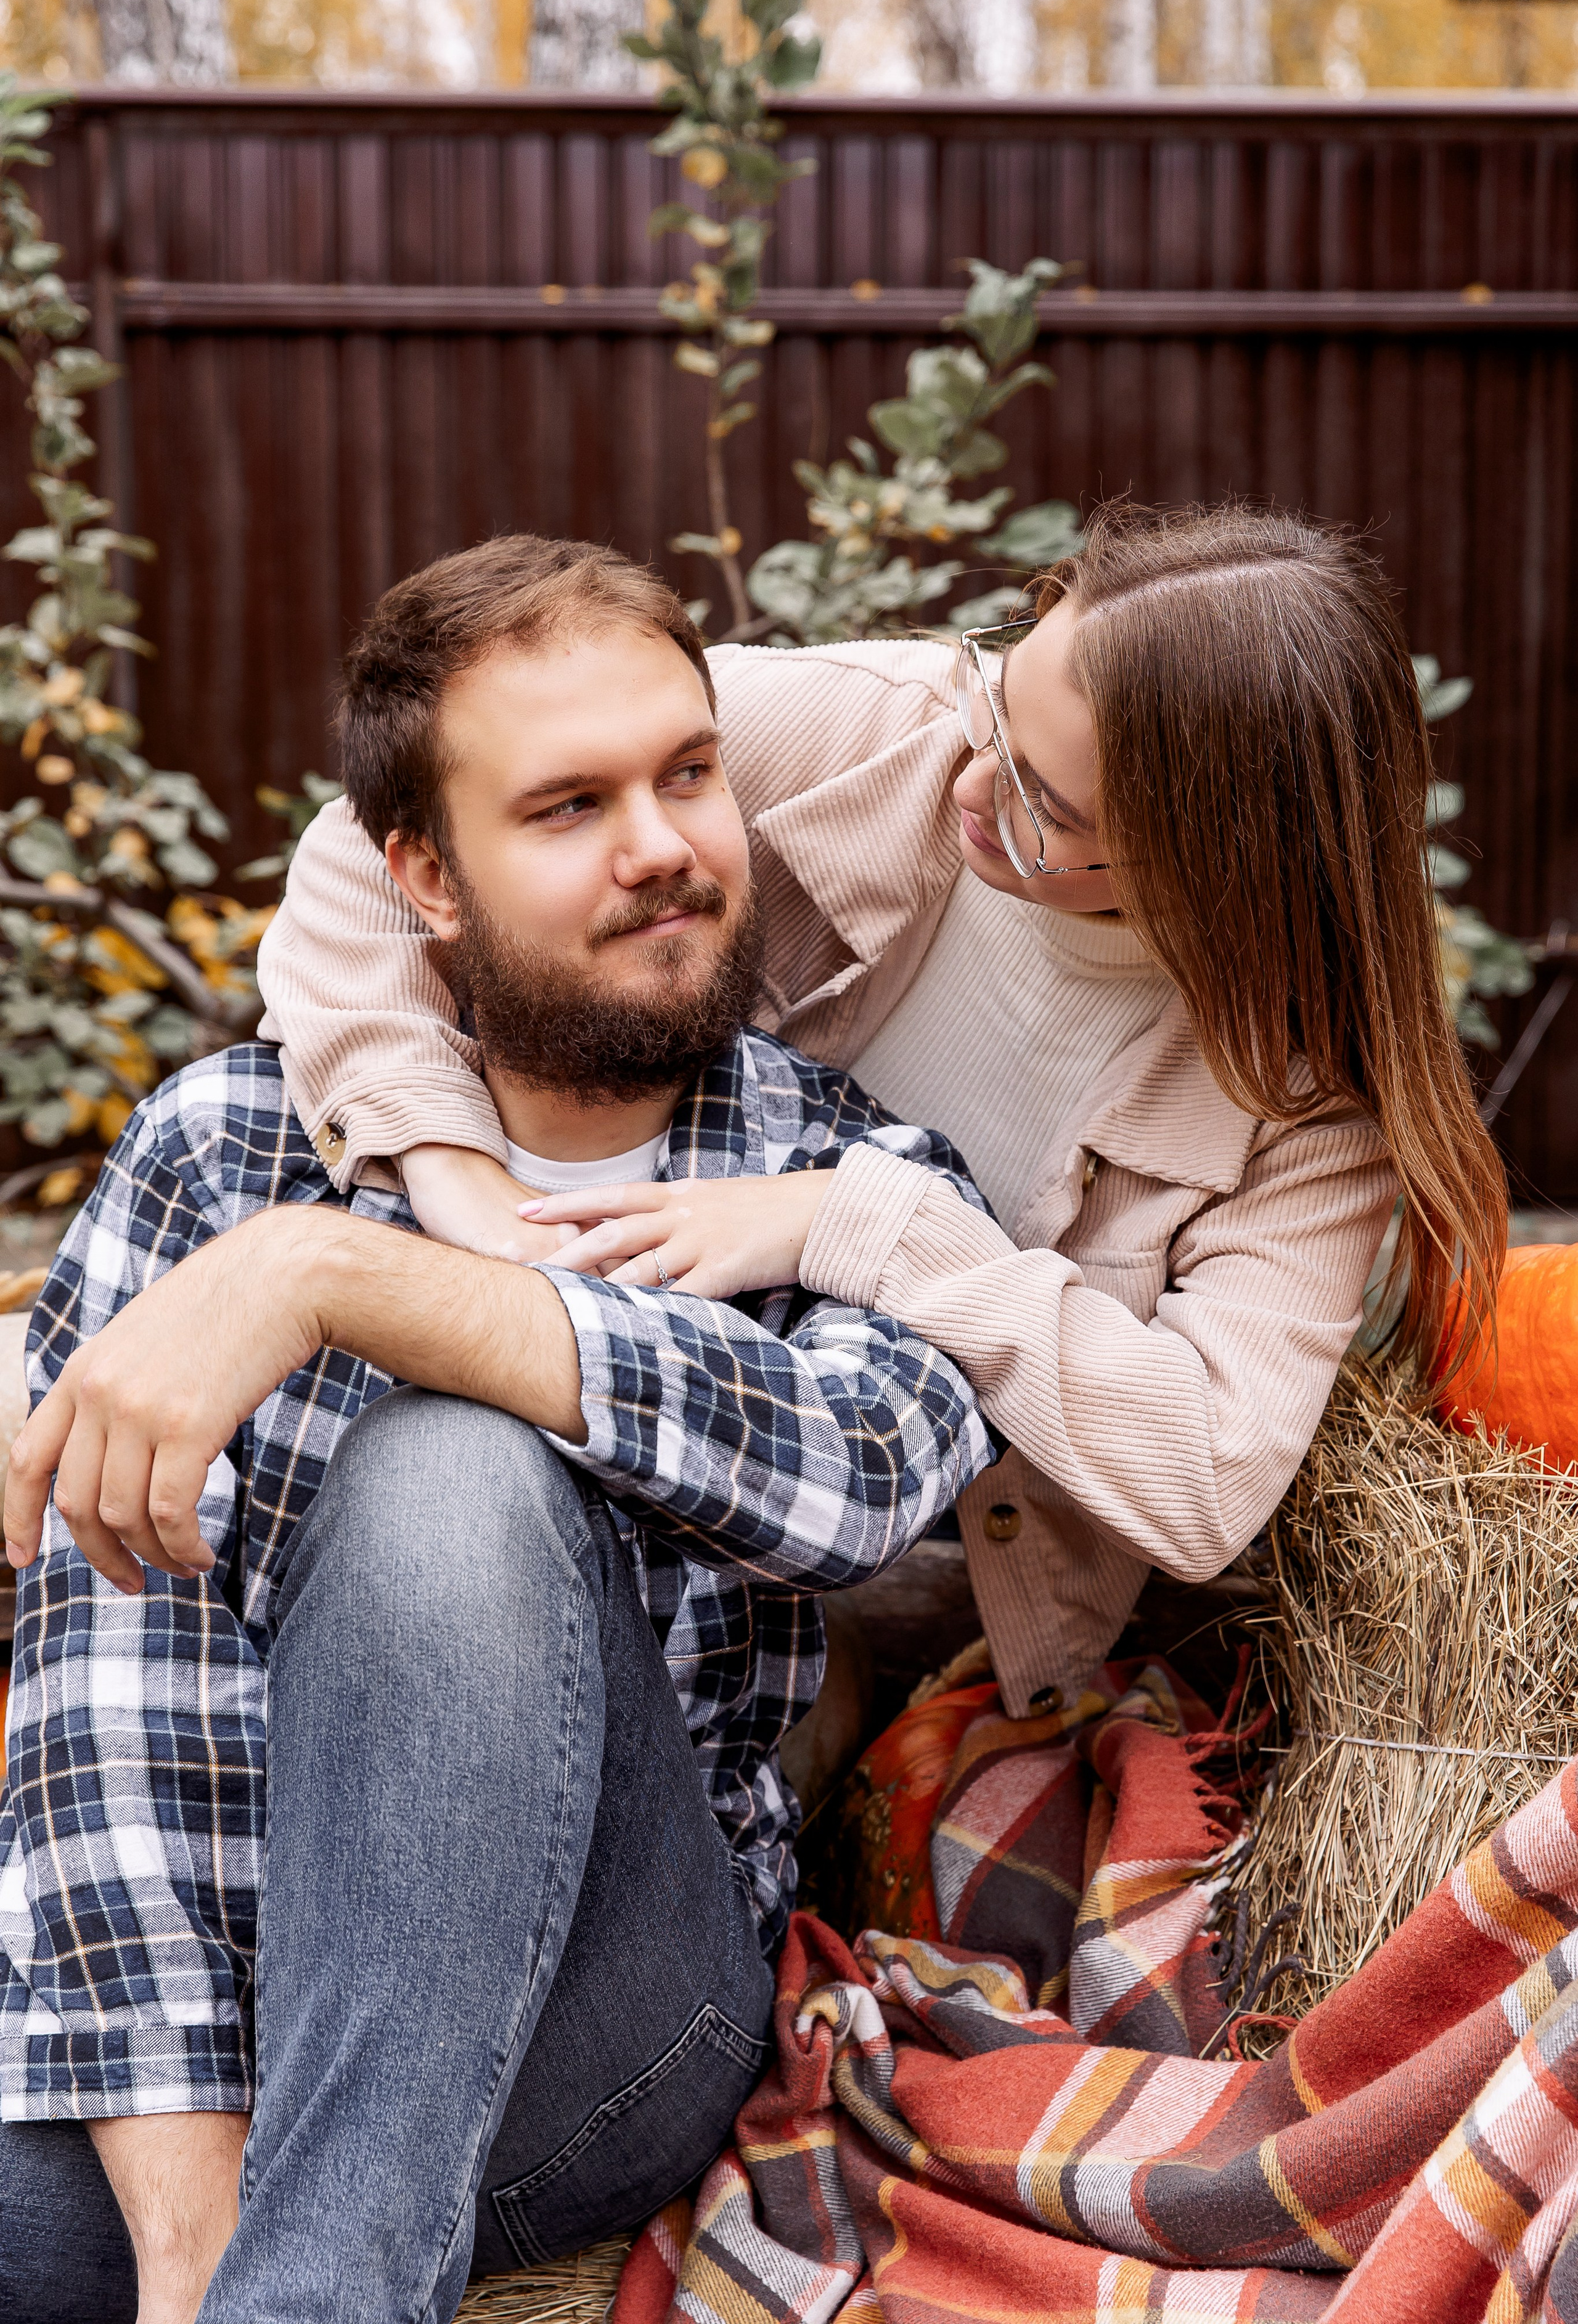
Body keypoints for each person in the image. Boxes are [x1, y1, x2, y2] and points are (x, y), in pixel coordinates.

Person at [0, 538, 992, 2324]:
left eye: (689, 775)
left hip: (606, 2019)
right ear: (421, 877)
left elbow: (859, 1478)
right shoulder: (221, 1153)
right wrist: (185, 2210)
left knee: (451, 1469)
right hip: (225, 2002)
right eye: (569, 806)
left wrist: (352, 1283)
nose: (662, 846)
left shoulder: (853, 1182)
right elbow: (111, 1688)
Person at [250, 500, 1508, 1718]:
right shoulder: (876, 729)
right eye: (999, 702)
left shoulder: (1303, 1103)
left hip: (858, 1569)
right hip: (571, 1418)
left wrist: (862, 1223)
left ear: (1214, 867)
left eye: (1047, 809)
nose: (975, 782)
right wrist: (448, 1165)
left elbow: (1206, 1479)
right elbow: (377, 846)